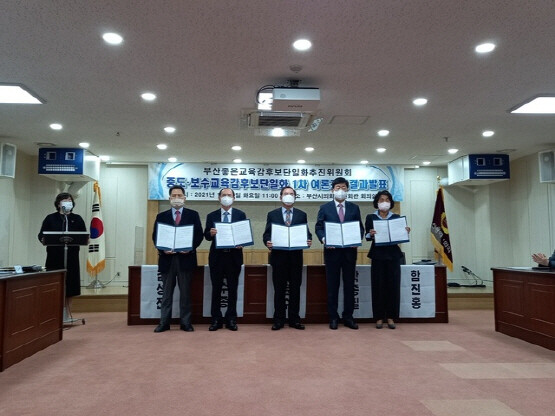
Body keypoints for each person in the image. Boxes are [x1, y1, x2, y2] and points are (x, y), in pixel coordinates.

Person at [152, 185, 203, 333]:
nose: (176, 198)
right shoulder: (161, 216)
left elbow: (198, 235)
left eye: (179, 195)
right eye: (173, 196)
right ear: (169, 198)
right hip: (167, 259)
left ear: (185, 197)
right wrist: (162, 248)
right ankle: (164, 323)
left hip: (186, 259)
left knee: (186, 293)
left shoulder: (193, 215)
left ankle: (185, 322)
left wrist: (191, 247)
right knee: (166, 294)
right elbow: (155, 236)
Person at [315, 177, 364, 330]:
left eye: (343, 187)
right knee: (332, 286)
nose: (340, 190)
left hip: (349, 252)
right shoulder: (325, 207)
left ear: (347, 190)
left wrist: (357, 239)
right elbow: (318, 227)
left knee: (349, 286)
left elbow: (360, 228)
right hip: (332, 252)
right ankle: (333, 317)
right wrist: (324, 239)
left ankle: (348, 317)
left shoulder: (354, 208)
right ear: (332, 190)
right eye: (337, 187)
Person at [263, 186, 312, 330]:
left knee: (295, 289)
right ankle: (278, 319)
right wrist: (267, 242)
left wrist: (309, 240)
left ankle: (294, 319)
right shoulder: (272, 214)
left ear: (295, 197)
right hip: (278, 258)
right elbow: (266, 234)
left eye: (291, 194)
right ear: (280, 197)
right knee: (279, 289)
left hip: (296, 258)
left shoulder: (302, 215)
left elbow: (306, 234)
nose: (288, 196)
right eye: (286, 194)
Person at [365, 190, 411, 329]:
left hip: (393, 255)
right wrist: (370, 234)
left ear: (390, 202)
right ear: (376, 202)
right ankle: (379, 317)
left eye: (387, 199)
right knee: (378, 286)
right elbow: (366, 236)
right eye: (381, 200)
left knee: (393, 286)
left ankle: (391, 317)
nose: (384, 202)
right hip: (377, 255)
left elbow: (401, 235)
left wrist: (405, 231)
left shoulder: (396, 217)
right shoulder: (370, 217)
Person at [38, 192, 88, 317]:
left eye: (70, 200)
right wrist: (43, 239)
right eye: (65, 200)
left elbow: (84, 236)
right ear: (58, 203)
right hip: (54, 257)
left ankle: (67, 313)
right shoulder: (50, 218)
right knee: (54, 283)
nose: (68, 202)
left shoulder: (77, 218)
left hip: (71, 257)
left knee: (70, 284)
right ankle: (54, 314)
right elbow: (41, 235)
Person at [204, 188, 246, 331]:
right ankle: (216, 319)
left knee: (233, 289)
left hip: (233, 257)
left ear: (234, 198)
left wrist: (242, 242)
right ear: (219, 198)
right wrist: (210, 232)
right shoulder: (212, 215)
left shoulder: (240, 214)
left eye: (229, 195)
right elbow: (206, 236)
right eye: (224, 195)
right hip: (217, 257)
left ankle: (231, 319)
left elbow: (244, 234)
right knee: (216, 289)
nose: (226, 197)